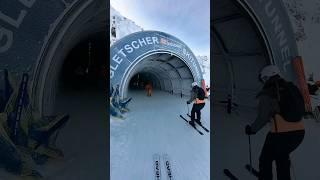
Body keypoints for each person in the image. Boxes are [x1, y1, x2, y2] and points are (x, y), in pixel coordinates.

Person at [245, 65, 305, 180]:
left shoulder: (268, 92)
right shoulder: (291, 87)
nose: (263, 82)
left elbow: (263, 117)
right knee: (282, 158)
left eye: (263, 79)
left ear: (267, 77)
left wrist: (252, 129)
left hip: (281, 135)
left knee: (265, 159)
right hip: (299, 134)